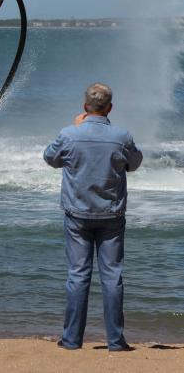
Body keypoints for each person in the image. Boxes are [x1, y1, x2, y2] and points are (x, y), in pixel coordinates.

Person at [43, 83, 142, 351]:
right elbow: (134, 163)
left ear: (85, 107)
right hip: (111, 215)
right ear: (109, 108)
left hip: (77, 214)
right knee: (112, 277)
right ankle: (116, 342)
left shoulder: (69, 134)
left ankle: (72, 340)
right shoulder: (121, 136)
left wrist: (75, 128)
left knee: (78, 275)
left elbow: (50, 158)